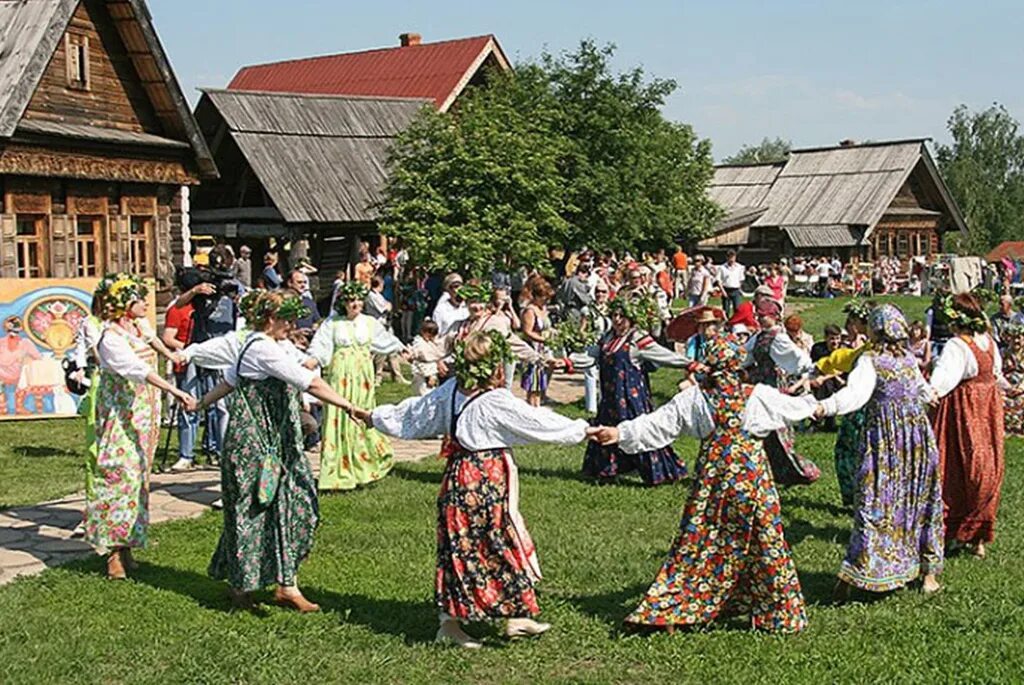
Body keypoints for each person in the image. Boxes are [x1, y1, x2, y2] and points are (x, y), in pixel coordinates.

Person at [362, 331, 592, 648]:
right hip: (485, 480)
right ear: (493, 365)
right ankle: (451, 628)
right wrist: (583, 429)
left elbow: (413, 415)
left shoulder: (450, 393)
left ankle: (513, 615)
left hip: (459, 479)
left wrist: (375, 416)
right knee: (488, 543)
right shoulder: (493, 400)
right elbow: (538, 423)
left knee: (470, 545)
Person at [589, 335, 818, 633]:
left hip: (714, 480)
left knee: (701, 541)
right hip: (752, 481)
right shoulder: (757, 394)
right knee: (766, 540)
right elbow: (797, 408)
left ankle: (677, 607)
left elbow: (658, 424)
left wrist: (619, 433)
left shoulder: (696, 398)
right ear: (740, 365)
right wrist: (820, 403)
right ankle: (778, 615)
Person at [195, 290, 361, 611]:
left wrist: (200, 402)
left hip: (275, 440)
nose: (292, 324)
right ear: (271, 320)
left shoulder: (263, 345)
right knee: (254, 508)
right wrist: (349, 406)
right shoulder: (260, 349)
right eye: (286, 319)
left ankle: (286, 584)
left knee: (291, 502)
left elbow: (228, 382)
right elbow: (308, 382)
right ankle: (245, 588)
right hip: (255, 444)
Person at [815, 305, 943, 599]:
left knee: (877, 502)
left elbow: (855, 395)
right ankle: (919, 573)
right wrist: (928, 395)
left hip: (889, 441)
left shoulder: (873, 361)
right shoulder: (906, 359)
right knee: (911, 499)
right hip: (915, 438)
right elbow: (921, 389)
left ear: (876, 330)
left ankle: (873, 571)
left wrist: (825, 407)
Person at [85, 274, 195, 579]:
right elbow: (138, 370)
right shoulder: (110, 338)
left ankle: (128, 544)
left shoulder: (136, 327)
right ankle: (112, 552)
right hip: (121, 414)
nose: (146, 304)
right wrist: (174, 390)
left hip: (143, 412)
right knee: (119, 473)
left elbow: (152, 341)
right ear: (123, 306)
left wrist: (171, 354)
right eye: (139, 300)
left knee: (139, 477)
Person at [929, 293, 1010, 559]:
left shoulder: (956, 346)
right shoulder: (988, 342)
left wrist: (924, 394)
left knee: (955, 466)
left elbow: (942, 382)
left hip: (963, 410)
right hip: (988, 409)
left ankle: (959, 531)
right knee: (986, 467)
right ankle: (977, 538)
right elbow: (995, 374)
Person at [306, 281, 405, 491]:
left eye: (359, 300)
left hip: (362, 379)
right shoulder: (332, 323)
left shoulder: (369, 323)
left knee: (362, 417)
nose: (356, 304)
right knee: (339, 417)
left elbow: (386, 341)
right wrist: (312, 360)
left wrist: (404, 350)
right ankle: (337, 474)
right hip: (340, 377)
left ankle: (365, 466)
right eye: (351, 300)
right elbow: (320, 347)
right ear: (343, 302)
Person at [582, 295, 690, 486]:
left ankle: (659, 473)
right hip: (610, 397)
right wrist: (565, 362)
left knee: (640, 431)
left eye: (621, 315)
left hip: (632, 398)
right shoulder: (607, 338)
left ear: (630, 318)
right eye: (613, 315)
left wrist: (689, 363)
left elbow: (663, 355)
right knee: (607, 430)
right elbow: (590, 356)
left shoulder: (637, 339)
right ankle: (607, 470)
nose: (616, 319)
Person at [743, 297, 820, 486]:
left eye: (763, 316)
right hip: (759, 385)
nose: (759, 319)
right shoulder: (759, 336)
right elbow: (744, 354)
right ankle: (765, 471)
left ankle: (797, 471)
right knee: (760, 430)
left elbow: (799, 359)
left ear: (774, 317)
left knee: (777, 430)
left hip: (773, 386)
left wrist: (810, 370)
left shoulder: (778, 337)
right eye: (758, 315)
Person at [814, 300, 874, 505]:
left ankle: (859, 497)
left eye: (852, 321)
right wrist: (822, 366)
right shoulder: (871, 347)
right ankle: (861, 497)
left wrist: (826, 406)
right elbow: (845, 358)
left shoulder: (868, 351)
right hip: (864, 407)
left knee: (850, 450)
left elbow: (851, 362)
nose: (849, 326)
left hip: (861, 406)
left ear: (859, 322)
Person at [520, 278, 555, 407]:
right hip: (533, 350)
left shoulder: (543, 309)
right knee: (533, 383)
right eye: (544, 297)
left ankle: (538, 405)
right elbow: (527, 332)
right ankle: (532, 407)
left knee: (541, 381)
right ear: (536, 296)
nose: (546, 300)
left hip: (543, 349)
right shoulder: (530, 310)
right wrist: (543, 339)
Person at [409, 319, 444, 396]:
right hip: (423, 376)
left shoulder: (429, 343)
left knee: (432, 394)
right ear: (423, 332)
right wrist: (430, 375)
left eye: (432, 336)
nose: (431, 338)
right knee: (424, 395)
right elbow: (423, 362)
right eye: (429, 335)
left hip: (430, 373)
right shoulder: (420, 344)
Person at [1001, 323, 1024, 435]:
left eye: (1019, 338)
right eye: (1014, 338)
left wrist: (1020, 387)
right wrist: (1007, 388)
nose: (1016, 341)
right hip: (1006, 387)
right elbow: (997, 373)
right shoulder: (1003, 353)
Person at [716, 250, 745, 317]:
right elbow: (718, 280)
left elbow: (741, 279)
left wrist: (740, 289)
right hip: (726, 289)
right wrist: (722, 291)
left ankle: (736, 322)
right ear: (727, 258)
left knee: (737, 308)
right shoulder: (722, 268)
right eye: (730, 257)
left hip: (736, 290)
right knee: (726, 309)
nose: (731, 259)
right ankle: (726, 324)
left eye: (733, 257)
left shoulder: (739, 267)